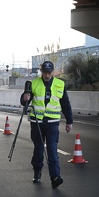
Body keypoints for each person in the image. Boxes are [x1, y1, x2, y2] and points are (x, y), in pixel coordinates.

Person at [21, 61, 73, 189]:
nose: (47, 75)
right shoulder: (34, 83)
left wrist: (69, 121)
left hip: (52, 123)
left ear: (53, 72)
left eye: (49, 72)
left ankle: (55, 177)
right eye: (45, 72)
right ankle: (37, 170)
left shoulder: (60, 84)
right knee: (39, 149)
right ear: (41, 72)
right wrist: (24, 98)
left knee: (52, 149)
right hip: (37, 122)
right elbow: (24, 102)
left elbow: (65, 104)